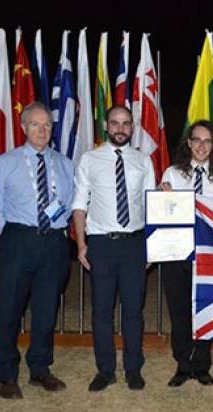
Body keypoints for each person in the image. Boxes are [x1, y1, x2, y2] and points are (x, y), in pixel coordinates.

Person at [0, 102, 74, 399]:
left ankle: (40, 369)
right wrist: (12, 235)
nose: (42, 130)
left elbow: (70, 202)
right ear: (24, 127)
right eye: (35, 124)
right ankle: (6, 374)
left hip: (54, 244)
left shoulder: (65, 163)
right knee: (10, 309)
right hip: (18, 241)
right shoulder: (6, 162)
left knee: (46, 311)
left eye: (47, 125)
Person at [72, 105, 156, 392]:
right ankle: (105, 370)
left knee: (133, 310)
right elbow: (80, 203)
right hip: (101, 244)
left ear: (132, 128)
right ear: (106, 126)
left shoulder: (143, 161)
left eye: (126, 124)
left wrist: (152, 248)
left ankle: (134, 369)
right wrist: (81, 244)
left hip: (134, 244)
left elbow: (151, 206)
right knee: (102, 311)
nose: (121, 128)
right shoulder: (89, 159)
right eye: (115, 123)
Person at [159, 120, 213, 387]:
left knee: (205, 309)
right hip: (178, 253)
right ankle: (182, 364)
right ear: (188, 143)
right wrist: (163, 197)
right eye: (196, 140)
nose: (201, 146)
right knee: (179, 311)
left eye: (207, 141)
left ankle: (202, 365)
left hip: (210, 254)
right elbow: (162, 215)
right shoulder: (173, 173)